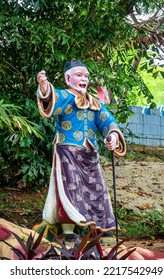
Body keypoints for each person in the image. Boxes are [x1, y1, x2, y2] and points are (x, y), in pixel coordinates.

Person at [34, 58, 126, 241]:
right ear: (68, 79)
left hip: (90, 152)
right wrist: (44, 87)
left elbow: (108, 122)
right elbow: (51, 98)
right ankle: (69, 230)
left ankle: (102, 227)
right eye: (78, 75)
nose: (83, 78)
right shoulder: (66, 97)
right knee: (70, 189)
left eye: (86, 75)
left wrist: (113, 137)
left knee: (97, 188)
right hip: (67, 150)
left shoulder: (95, 103)